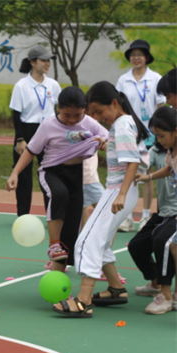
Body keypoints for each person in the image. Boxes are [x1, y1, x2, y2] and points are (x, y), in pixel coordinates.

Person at [53, 81, 149, 318]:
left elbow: (133, 162)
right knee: (102, 239)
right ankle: (116, 288)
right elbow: (124, 155)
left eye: (98, 111)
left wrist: (123, 194)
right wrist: (104, 144)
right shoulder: (122, 124)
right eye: (92, 112)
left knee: (87, 239)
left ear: (115, 103)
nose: (96, 117)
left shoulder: (122, 124)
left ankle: (83, 301)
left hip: (118, 191)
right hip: (119, 190)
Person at [6, 87, 108, 273]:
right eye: (67, 115)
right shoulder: (48, 124)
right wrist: (15, 174)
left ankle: (58, 277)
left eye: (77, 115)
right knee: (58, 194)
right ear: (58, 107)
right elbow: (31, 151)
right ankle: (53, 244)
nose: (71, 120)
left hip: (76, 175)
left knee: (70, 232)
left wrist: (104, 143)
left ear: (84, 109)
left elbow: (108, 139)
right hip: (51, 172)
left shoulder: (89, 123)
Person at [116, 39, 165, 232]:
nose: (136, 58)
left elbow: (160, 106)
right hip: (129, 133)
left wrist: (157, 130)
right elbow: (119, 107)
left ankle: (145, 216)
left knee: (145, 174)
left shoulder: (155, 79)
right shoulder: (123, 80)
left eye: (140, 54)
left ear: (146, 57)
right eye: (133, 55)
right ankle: (126, 218)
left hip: (150, 135)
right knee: (126, 173)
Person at [133, 107, 177, 314]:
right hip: (168, 212)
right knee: (146, 242)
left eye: (161, 135)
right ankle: (163, 287)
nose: (158, 140)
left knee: (164, 241)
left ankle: (166, 296)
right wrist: (148, 177)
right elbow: (170, 168)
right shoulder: (170, 151)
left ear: (175, 131)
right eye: (156, 135)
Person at [9, 45, 62, 217]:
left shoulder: (53, 85)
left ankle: (52, 214)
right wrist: (20, 139)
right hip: (26, 132)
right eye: (44, 60)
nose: (48, 63)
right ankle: (22, 215)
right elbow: (16, 114)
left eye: (49, 60)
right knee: (24, 177)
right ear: (33, 62)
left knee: (50, 175)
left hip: (48, 131)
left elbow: (58, 110)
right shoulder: (21, 85)